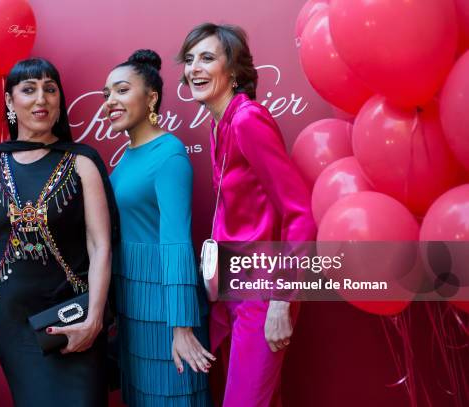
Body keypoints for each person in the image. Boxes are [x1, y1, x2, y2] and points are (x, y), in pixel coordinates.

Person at [0, 57, 119, 407]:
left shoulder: (81, 163)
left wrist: (94, 319)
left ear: (59, 101)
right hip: (13, 327)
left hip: (74, 318)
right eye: (28, 90)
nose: (41, 99)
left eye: (50, 89)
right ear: (11, 102)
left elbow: (101, 246)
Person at [178, 24, 316, 406]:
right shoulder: (219, 124)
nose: (194, 68)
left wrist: (281, 300)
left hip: (263, 288)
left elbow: (300, 214)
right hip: (233, 287)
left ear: (234, 71)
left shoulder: (247, 120)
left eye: (207, 58)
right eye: (190, 60)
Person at [104, 49, 214, 406]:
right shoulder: (126, 158)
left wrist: (181, 326)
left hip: (167, 313)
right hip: (134, 309)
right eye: (107, 94)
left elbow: (176, 242)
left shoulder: (169, 154)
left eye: (121, 90)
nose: (111, 101)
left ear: (150, 97)